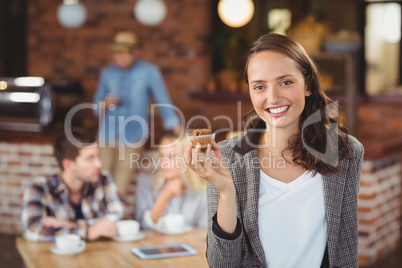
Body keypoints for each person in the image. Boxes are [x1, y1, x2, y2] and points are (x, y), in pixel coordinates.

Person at [184, 33, 364, 268]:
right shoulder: (228, 156)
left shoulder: (344, 151)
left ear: (307, 84)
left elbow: (345, 247)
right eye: (259, 86)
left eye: (286, 82)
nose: (273, 97)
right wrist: (226, 191)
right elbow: (222, 264)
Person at [93, 31, 181, 198]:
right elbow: (95, 106)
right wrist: (105, 103)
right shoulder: (107, 73)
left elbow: (163, 100)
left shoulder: (149, 71)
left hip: (133, 136)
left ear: (135, 53)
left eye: (126, 54)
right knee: (100, 182)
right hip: (106, 135)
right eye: (118, 54)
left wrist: (176, 128)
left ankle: (112, 218)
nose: (122, 58)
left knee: (120, 185)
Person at [21, 129, 125, 242]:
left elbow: (120, 217)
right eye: (90, 158)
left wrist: (71, 225)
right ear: (68, 165)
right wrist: (88, 232)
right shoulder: (39, 188)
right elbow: (32, 230)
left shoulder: (103, 179)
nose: (99, 164)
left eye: (97, 156)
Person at [135, 133, 207, 230]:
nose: (163, 162)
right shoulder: (146, 181)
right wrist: (165, 196)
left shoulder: (203, 191)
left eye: (172, 156)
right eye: (162, 156)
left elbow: (205, 233)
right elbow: (141, 226)